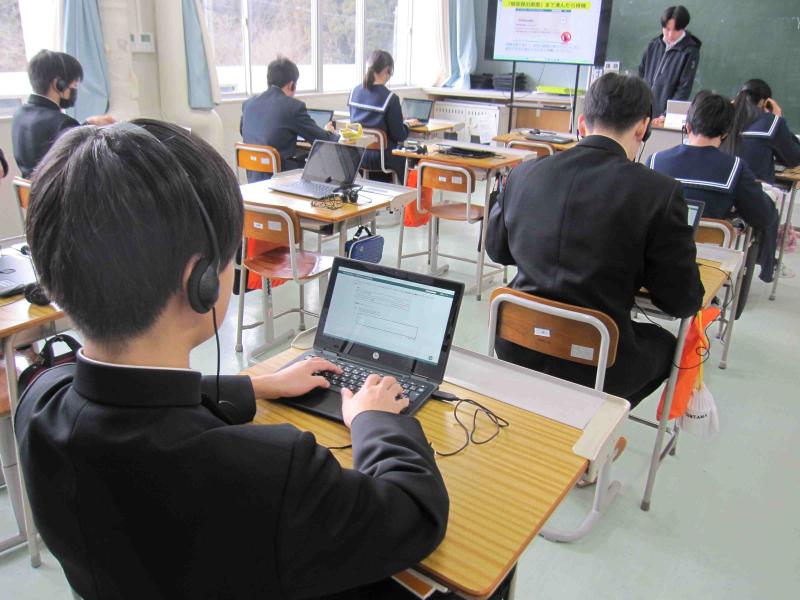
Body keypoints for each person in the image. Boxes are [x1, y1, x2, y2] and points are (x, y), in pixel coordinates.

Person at [15, 120, 449, 599]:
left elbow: (128, 401)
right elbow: (414, 514)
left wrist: (258, 386)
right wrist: (373, 420)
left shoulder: (38, 401)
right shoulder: (268, 472)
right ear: (200, 282)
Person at [486, 73, 703, 408]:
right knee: (666, 346)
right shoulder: (659, 192)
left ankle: (563, 414)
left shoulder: (523, 174)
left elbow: (498, 251)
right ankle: (596, 418)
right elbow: (682, 301)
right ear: (643, 128)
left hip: (517, 342)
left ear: (582, 123)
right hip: (598, 363)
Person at [648, 91, 780, 304]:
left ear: (687, 126)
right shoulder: (735, 169)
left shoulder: (655, 161)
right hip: (707, 264)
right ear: (726, 133)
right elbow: (763, 216)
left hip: (654, 262)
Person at [11, 49, 114, 178]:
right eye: (74, 85)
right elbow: (81, 162)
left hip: (31, 189)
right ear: (58, 84)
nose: (74, 90)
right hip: (58, 190)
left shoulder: (19, 114)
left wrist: (87, 124)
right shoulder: (61, 122)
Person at [241, 56, 339, 183]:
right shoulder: (292, 107)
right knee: (323, 159)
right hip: (280, 178)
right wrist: (329, 132)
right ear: (291, 84)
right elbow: (322, 140)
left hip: (253, 178)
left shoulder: (248, 104)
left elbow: (243, 131)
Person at [348, 50, 419, 182]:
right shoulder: (390, 98)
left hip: (358, 155)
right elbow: (399, 135)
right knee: (412, 157)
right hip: (382, 158)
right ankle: (407, 193)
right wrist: (407, 125)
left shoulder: (354, 92)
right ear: (388, 70)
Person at [721, 78, 800, 184]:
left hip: (722, 185)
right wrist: (778, 118)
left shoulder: (722, 119)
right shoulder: (771, 122)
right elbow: (794, 158)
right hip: (753, 189)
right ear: (765, 102)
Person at [638, 5, 701, 121]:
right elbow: (640, 74)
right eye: (667, 29)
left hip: (665, 117)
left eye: (676, 30)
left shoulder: (689, 51)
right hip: (643, 112)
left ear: (683, 28)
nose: (671, 35)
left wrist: (666, 115)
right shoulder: (653, 45)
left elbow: (684, 88)